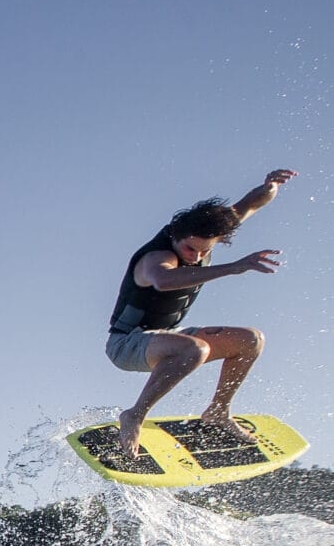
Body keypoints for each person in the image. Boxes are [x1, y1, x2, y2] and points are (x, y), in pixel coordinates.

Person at [106, 169, 296, 456]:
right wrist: (234, 267)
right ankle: (135, 415)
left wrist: (270, 186)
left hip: (168, 335)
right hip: (127, 343)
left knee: (251, 340)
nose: (194, 257)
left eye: (202, 251)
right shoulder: (158, 257)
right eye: (189, 249)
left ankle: (218, 411)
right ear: (176, 235)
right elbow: (163, 280)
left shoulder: (208, 233)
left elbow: (250, 204)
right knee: (195, 351)